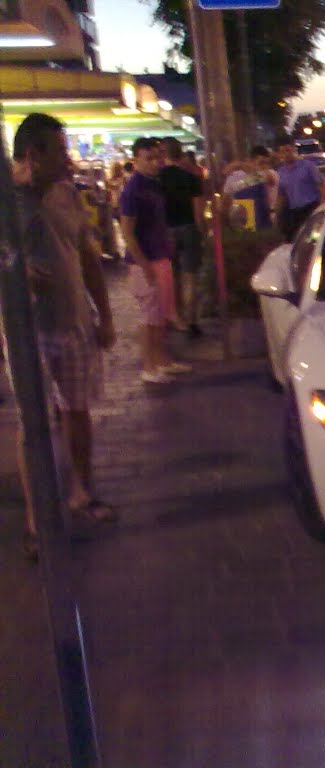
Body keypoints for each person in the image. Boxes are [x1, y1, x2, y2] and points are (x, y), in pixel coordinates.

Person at [10, 113, 118, 559]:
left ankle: (82, 492)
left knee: (77, 411)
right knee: (31, 423)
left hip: (72, 322)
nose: (69, 159)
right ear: (33, 154)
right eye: (60, 149)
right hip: (24, 331)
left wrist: (104, 315)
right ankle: (38, 521)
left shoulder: (66, 195)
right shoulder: (7, 200)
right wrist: (14, 274)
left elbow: (89, 258)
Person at [119, 136, 193, 384]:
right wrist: (143, 264)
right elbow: (127, 231)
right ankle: (149, 367)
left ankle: (162, 360)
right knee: (149, 316)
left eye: (157, 157)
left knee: (161, 312)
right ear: (135, 160)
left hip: (160, 256)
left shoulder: (153, 184)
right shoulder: (133, 190)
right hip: (146, 261)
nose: (155, 163)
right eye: (148, 158)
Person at [159, 137, 206, 338]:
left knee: (172, 277)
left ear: (164, 154)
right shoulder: (191, 177)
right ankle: (192, 320)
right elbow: (198, 210)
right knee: (191, 277)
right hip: (188, 228)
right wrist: (201, 229)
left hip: (165, 230)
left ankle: (175, 317)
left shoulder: (157, 179)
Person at [274, 135, 325, 241]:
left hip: (310, 208)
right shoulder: (280, 172)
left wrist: (322, 205)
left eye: (288, 150)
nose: (286, 154)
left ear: (294, 149)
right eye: (283, 152)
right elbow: (282, 195)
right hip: (294, 213)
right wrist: (276, 214)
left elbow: (322, 186)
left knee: (313, 239)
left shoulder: (307, 166)